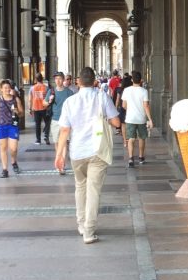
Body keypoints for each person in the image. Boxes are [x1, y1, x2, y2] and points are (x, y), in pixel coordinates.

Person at [55, 66, 120, 243]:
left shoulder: (70, 102)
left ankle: (81, 223)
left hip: (77, 152)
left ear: (78, 82)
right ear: (95, 81)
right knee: (93, 191)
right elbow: (116, 122)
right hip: (97, 150)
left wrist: (59, 155)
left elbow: (64, 130)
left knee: (80, 187)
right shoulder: (102, 97)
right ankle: (89, 232)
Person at [0, 78, 21, 177]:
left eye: (8, 87)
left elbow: (21, 113)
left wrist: (17, 111)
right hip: (1, 126)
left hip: (13, 126)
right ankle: (5, 170)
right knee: (3, 148)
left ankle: (14, 161)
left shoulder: (15, 99)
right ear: (1, 89)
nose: (6, 89)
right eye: (4, 88)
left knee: (13, 148)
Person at [121, 70, 154, 167]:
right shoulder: (144, 91)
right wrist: (150, 119)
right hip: (141, 119)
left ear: (132, 80)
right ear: (141, 81)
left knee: (131, 139)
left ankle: (131, 158)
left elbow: (123, 105)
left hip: (130, 118)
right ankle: (141, 157)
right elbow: (146, 106)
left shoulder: (126, 90)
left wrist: (130, 110)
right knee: (141, 138)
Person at [48, 71, 75, 174]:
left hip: (66, 121)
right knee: (57, 142)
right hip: (55, 120)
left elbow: (73, 107)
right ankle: (59, 159)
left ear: (63, 79)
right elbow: (44, 103)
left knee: (64, 143)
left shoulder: (69, 92)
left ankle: (62, 164)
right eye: (56, 79)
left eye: (59, 78)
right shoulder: (51, 92)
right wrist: (49, 101)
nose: (57, 81)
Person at [29, 73, 49, 145]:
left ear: (35, 79)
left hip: (36, 108)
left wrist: (30, 109)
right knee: (47, 123)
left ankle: (38, 140)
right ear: (42, 79)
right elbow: (48, 98)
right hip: (45, 108)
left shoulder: (32, 88)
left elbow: (30, 99)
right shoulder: (46, 87)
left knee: (37, 124)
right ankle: (46, 137)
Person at [114, 72, 133, 148]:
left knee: (123, 125)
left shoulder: (120, 90)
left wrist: (115, 108)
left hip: (122, 108)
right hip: (131, 108)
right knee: (130, 125)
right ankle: (130, 139)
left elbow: (117, 100)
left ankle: (125, 141)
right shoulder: (131, 90)